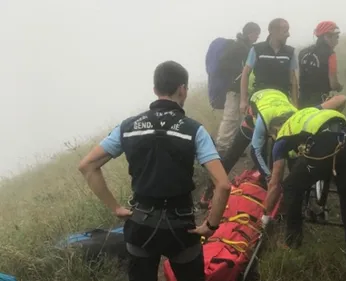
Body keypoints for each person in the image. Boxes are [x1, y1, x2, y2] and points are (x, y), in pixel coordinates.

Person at [78, 61, 231, 281]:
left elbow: (87, 165)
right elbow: (224, 184)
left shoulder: (128, 127)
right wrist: (211, 225)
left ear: (155, 90)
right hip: (181, 227)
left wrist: (116, 208)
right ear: (182, 89)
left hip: (140, 224)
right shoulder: (194, 130)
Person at [261, 105, 346, 281]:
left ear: (276, 129)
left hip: (326, 144)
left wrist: (265, 214)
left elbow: (275, 183)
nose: (274, 138)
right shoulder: (307, 113)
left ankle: (292, 242)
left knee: (291, 186)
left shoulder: (281, 136)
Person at [199, 88, 298, 208]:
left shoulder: (296, 118)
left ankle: (272, 199)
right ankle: (207, 194)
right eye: (273, 133)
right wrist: (268, 177)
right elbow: (254, 151)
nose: (273, 137)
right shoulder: (263, 118)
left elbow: (294, 151)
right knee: (232, 156)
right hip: (259, 109)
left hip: (278, 103)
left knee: (275, 159)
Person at [214, 22, 261, 156]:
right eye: (255, 33)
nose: (257, 37)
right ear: (249, 33)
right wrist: (240, 71)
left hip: (243, 87)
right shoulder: (237, 46)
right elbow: (223, 64)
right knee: (230, 117)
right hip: (234, 87)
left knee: (241, 118)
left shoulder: (247, 46)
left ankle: (233, 147)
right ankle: (222, 148)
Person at [239, 18, 299, 114]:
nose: (288, 34)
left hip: (282, 98)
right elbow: (245, 74)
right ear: (273, 31)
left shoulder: (290, 52)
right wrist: (243, 101)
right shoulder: (257, 49)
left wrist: (295, 103)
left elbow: (293, 79)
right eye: (285, 31)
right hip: (260, 97)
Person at [298, 21, 343, 109]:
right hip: (321, 102)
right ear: (327, 37)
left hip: (302, 100)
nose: (337, 41)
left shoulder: (302, 52)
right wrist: (339, 87)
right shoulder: (330, 54)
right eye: (336, 37)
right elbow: (333, 84)